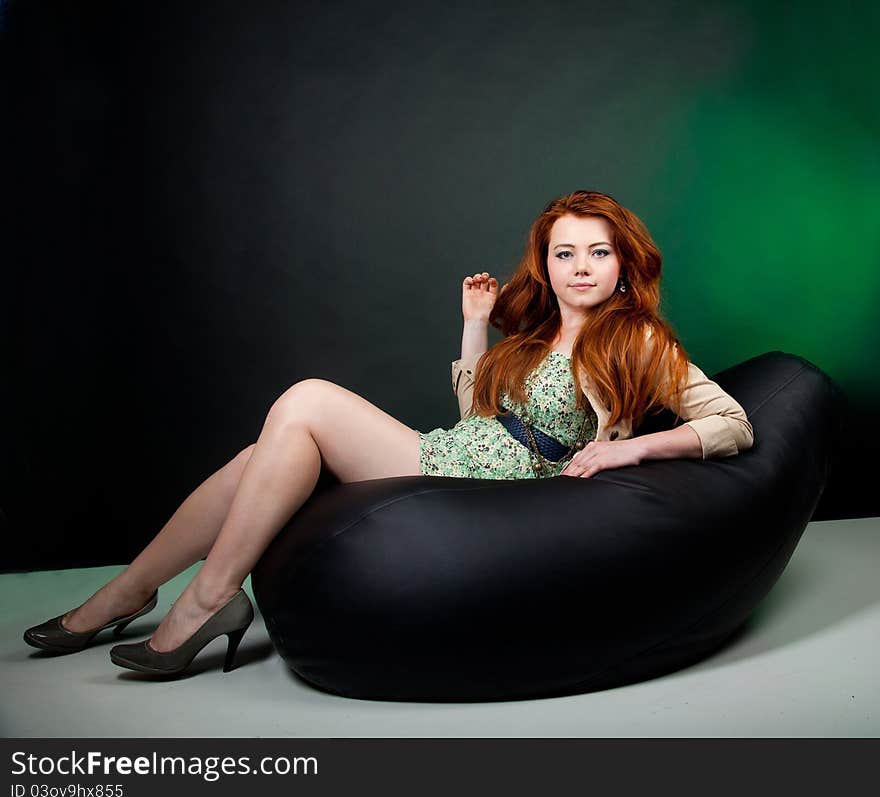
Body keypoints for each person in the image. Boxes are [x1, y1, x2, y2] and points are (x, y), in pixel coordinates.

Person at [23, 189, 754, 676]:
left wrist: (629, 447)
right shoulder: (535, 332)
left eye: (598, 252)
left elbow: (733, 422)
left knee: (307, 398)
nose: (581, 267)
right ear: (547, 264)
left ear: (624, 262)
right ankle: (128, 592)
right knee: (257, 456)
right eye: (565, 253)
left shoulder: (640, 340)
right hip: (454, 454)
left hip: (497, 494)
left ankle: (209, 598)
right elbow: (479, 418)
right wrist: (475, 326)